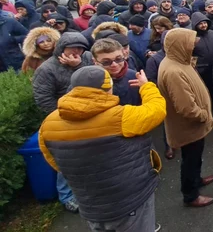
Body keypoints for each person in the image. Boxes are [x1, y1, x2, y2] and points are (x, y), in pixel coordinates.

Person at [39, 66, 165, 232]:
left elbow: (55, 162)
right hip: (128, 201)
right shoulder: (121, 117)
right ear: (108, 88)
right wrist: (146, 86)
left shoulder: (48, 124)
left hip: (90, 203)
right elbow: (157, 109)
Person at [33, 32, 93, 213]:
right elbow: (43, 98)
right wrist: (62, 117)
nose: (76, 51)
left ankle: (88, 189)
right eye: (72, 47)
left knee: (88, 155)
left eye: (80, 48)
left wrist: (79, 66)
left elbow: (96, 77)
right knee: (67, 159)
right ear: (61, 48)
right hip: (63, 120)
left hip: (88, 114)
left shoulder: (85, 59)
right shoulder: (47, 69)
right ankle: (67, 196)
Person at [157, 28, 213, 207]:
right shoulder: (173, 71)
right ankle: (190, 195)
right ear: (180, 45)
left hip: (191, 126)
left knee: (194, 157)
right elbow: (186, 108)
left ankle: (196, 180)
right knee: (190, 160)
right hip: (188, 126)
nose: (193, 45)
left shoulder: (177, 61)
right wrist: (203, 115)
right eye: (190, 43)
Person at [91, 38, 142, 106]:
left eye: (118, 59)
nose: (114, 65)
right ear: (95, 61)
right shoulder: (89, 81)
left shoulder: (136, 77)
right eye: (106, 62)